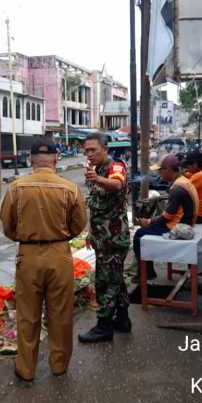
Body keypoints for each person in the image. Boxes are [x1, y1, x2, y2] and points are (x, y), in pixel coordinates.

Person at [0, 137, 87, 382]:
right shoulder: (69, 188)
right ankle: (58, 366)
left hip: (28, 256)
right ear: (56, 159)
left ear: (31, 160)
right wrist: (59, 237)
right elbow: (79, 224)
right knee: (60, 314)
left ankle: (26, 369)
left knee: (28, 315)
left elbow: (7, 226)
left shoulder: (17, 188)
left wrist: (26, 237)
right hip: (59, 255)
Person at [78, 132, 131, 343]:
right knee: (116, 280)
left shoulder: (115, 166)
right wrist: (92, 232)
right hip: (103, 237)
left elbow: (117, 184)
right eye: (86, 150)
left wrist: (98, 179)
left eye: (93, 150)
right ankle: (123, 320)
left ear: (105, 149)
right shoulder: (96, 170)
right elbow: (97, 207)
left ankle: (104, 327)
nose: (89, 154)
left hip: (114, 239)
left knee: (105, 282)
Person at [135, 154, 198, 279]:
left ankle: (147, 273)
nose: (159, 174)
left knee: (139, 234)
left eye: (160, 170)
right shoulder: (184, 181)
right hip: (187, 223)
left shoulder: (177, 188)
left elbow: (167, 217)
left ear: (168, 169)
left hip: (178, 228)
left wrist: (149, 221)